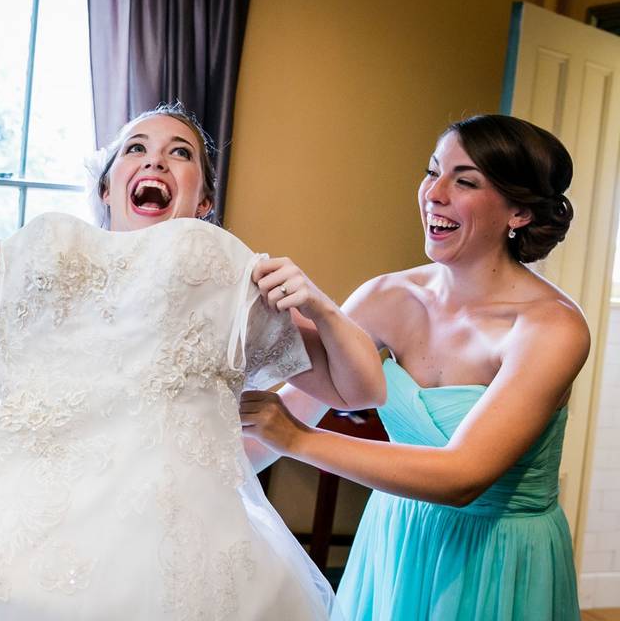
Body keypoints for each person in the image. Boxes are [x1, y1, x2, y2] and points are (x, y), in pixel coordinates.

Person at [0, 103, 383, 620]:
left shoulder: (227, 276)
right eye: (135, 149)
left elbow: (363, 389)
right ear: (108, 185)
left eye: (180, 152)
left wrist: (320, 305)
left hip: (173, 536)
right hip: (29, 515)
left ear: (205, 201)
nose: (155, 160)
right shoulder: (53, 253)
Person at [240, 114, 586, 620]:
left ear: (519, 213)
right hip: (396, 542)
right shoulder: (388, 296)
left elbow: (462, 477)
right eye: (432, 171)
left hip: (497, 557)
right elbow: (291, 409)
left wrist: (294, 438)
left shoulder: (552, 328)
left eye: (464, 181)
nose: (434, 194)